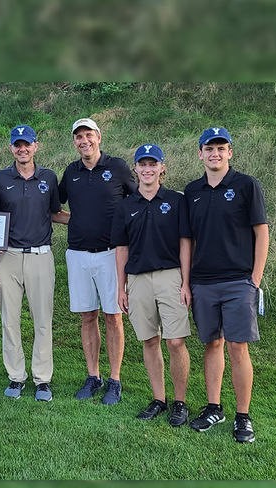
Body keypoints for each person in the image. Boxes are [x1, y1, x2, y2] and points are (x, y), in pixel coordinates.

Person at [185, 127, 269, 443]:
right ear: (200, 153)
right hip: (204, 282)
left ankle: (243, 417)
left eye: (221, 148)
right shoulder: (192, 191)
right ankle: (214, 407)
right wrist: (189, 280)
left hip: (238, 281)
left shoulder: (247, 185)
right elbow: (189, 240)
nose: (215, 153)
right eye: (209, 148)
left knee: (237, 346)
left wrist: (254, 280)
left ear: (230, 152)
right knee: (212, 344)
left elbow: (261, 233)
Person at [111, 144, 192, 426]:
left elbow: (185, 242)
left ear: (162, 167)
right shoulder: (126, 205)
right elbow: (121, 248)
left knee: (176, 340)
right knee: (149, 339)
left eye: (152, 164)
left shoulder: (176, 200)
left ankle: (180, 402)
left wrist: (185, 281)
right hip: (137, 279)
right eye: (142, 164)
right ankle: (159, 399)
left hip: (170, 276)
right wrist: (121, 288)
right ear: (135, 169)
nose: (147, 169)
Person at [58, 117, 136, 404]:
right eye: (78, 137)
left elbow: (137, 200)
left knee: (113, 317)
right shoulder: (71, 172)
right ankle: (94, 376)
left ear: (99, 136)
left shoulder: (117, 167)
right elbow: (54, 207)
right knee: (87, 316)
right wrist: (76, 221)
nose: (84, 141)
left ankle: (114, 379)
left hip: (110, 254)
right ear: (74, 142)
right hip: (78, 254)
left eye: (88, 135)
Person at [0, 125, 68, 401]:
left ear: (36, 145)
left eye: (27, 144)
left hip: (40, 256)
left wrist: (85, 222)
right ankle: (15, 376)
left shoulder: (48, 177)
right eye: (17, 144)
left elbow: (55, 213)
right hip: (7, 256)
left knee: (43, 320)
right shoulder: (0, 179)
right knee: (9, 320)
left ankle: (42, 379)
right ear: (11, 148)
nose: (22, 149)